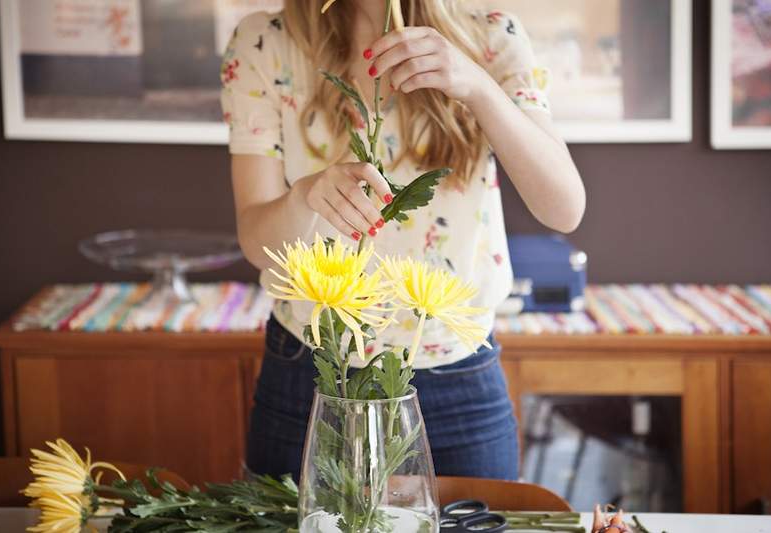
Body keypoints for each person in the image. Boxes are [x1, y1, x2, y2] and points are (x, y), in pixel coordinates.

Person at [221, 0, 585, 481]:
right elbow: (255, 240)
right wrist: (304, 197)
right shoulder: (265, 42)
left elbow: (563, 208)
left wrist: (477, 86)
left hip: (456, 374)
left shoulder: (494, 38)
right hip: (309, 371)